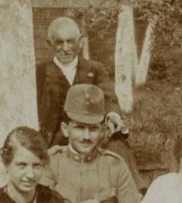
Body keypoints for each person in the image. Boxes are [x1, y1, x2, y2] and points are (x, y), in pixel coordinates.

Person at [41, 83, 141, 203]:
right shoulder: (51, 163)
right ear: (65, 129)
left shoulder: (114, 165)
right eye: (79, 127)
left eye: (93, 129)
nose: (86, 137)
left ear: (103, 130)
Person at [36, 16, 144, 189]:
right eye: (59, 42)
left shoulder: (94, 69)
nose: (66, 48)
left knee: (116, 144)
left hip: (90, 136)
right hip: (56, 139)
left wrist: (113, 116)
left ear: (80, 42)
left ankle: (136, 193)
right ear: (49, 44)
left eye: (70, 42)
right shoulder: (39, 73)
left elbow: (108, 97)